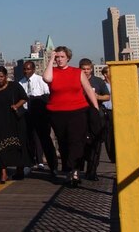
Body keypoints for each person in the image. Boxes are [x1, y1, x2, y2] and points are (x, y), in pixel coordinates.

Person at [43, 46, 100, 187]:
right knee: (63, 142)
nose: (59, 59)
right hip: (57, 113)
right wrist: (50, 60)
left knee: (76, 141)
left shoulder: (77, 72)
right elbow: (47, 78)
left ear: (68, 58)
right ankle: (69, 170)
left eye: (62, 57)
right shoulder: (53, 71)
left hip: (78, 111)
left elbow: (88, 90)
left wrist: (96, 109)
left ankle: (74, 171)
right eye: (57, 57)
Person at [0, 66, 29, 183]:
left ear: (6, 76)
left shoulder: (14, 86)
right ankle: (3, 173)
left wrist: (16, 105)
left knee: (18, 146)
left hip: (14, 121)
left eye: (1, 77)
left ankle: (19, 170)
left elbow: (24, 98)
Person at [18, 60, 58, 177]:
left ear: (34, 69)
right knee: (28, 140)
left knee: (45, 139)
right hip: (27, 113)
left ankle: (53, 166)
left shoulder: (40, 80)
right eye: (25, 69)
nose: (26, 71)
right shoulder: (21, 83)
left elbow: (48, 95)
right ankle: (29, 164)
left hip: (40, 112)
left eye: (29, 69)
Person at [80, 58, 110, 180]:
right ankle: (79, 169)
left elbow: (107, 96)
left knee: (96, 142)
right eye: (84, 69)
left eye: (88, 69)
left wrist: (97, 96)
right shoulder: (76, 81)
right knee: (81, 143)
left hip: (96, 114)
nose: (86, 71)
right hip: (80, 115)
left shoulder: (98, 81)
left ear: (91, 69)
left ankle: (92, 171)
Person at [101, 66, 115, 163]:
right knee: (109, 134)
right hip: (107, 111)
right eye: (110, 72)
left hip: (117, 111)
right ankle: (112, 156)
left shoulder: (116, 84)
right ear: (105, 74)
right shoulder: (103, 85)